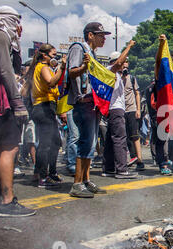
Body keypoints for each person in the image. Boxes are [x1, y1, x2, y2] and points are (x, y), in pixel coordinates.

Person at [0, 6, 35, 217]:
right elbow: (5, 70)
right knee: (9, 147)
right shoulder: (0, 35)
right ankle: (6, 202)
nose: (18, 27)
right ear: (8, 20)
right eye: (16, 22)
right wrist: (17, 103)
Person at [66, 22, 110, 198]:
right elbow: (72, 72)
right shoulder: (79, 48)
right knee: (85, 142)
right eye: (101, 35)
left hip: (92, 102)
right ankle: (77, 183)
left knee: (91, 143)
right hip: (82, 101)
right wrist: (84, 67)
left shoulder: (91, 53)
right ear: (90, 35)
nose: (104, 38)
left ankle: (85, 180)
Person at [28, 43, 66, 188]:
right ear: (45, 55)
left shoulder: (43, 67)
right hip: (43, 108)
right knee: (45, 144)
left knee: (55, 142)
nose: (55, 57)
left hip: (45, 107)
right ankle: (43, 177)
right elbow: (51, 82)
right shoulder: (43, 67)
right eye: (53, 54)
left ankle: (46, 173)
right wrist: (61, 67)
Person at [101, 45, 139, 179]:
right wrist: (129, 46)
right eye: (124, 61)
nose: (125, 64)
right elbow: (118, 63)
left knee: (111, 141)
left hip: (114, 109)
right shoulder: (110, 70)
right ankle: (122, 170)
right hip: (115, 109)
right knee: (120, 139)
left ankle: (109, 168)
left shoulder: (116, 74)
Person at [122, 58, 145, 171]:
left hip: (131, 109)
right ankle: (132, 157)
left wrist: (138, 109)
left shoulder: (132, 78)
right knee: (125, 136)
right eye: (123, 64)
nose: (125, 67)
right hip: (121, 110)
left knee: (135, 135)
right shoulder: (116, 78)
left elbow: (137, 93)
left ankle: (140, 160)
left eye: (127, 63)